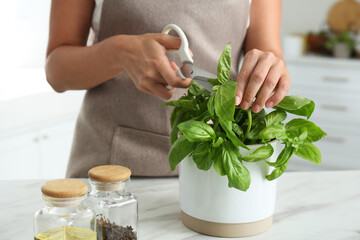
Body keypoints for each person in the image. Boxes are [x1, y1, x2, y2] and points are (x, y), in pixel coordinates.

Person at [46, 0, 290, 178]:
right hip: (108, 171)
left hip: (214, 164)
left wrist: (270, 69)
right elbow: (56, 71)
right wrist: (119, 52)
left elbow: (267, 53)